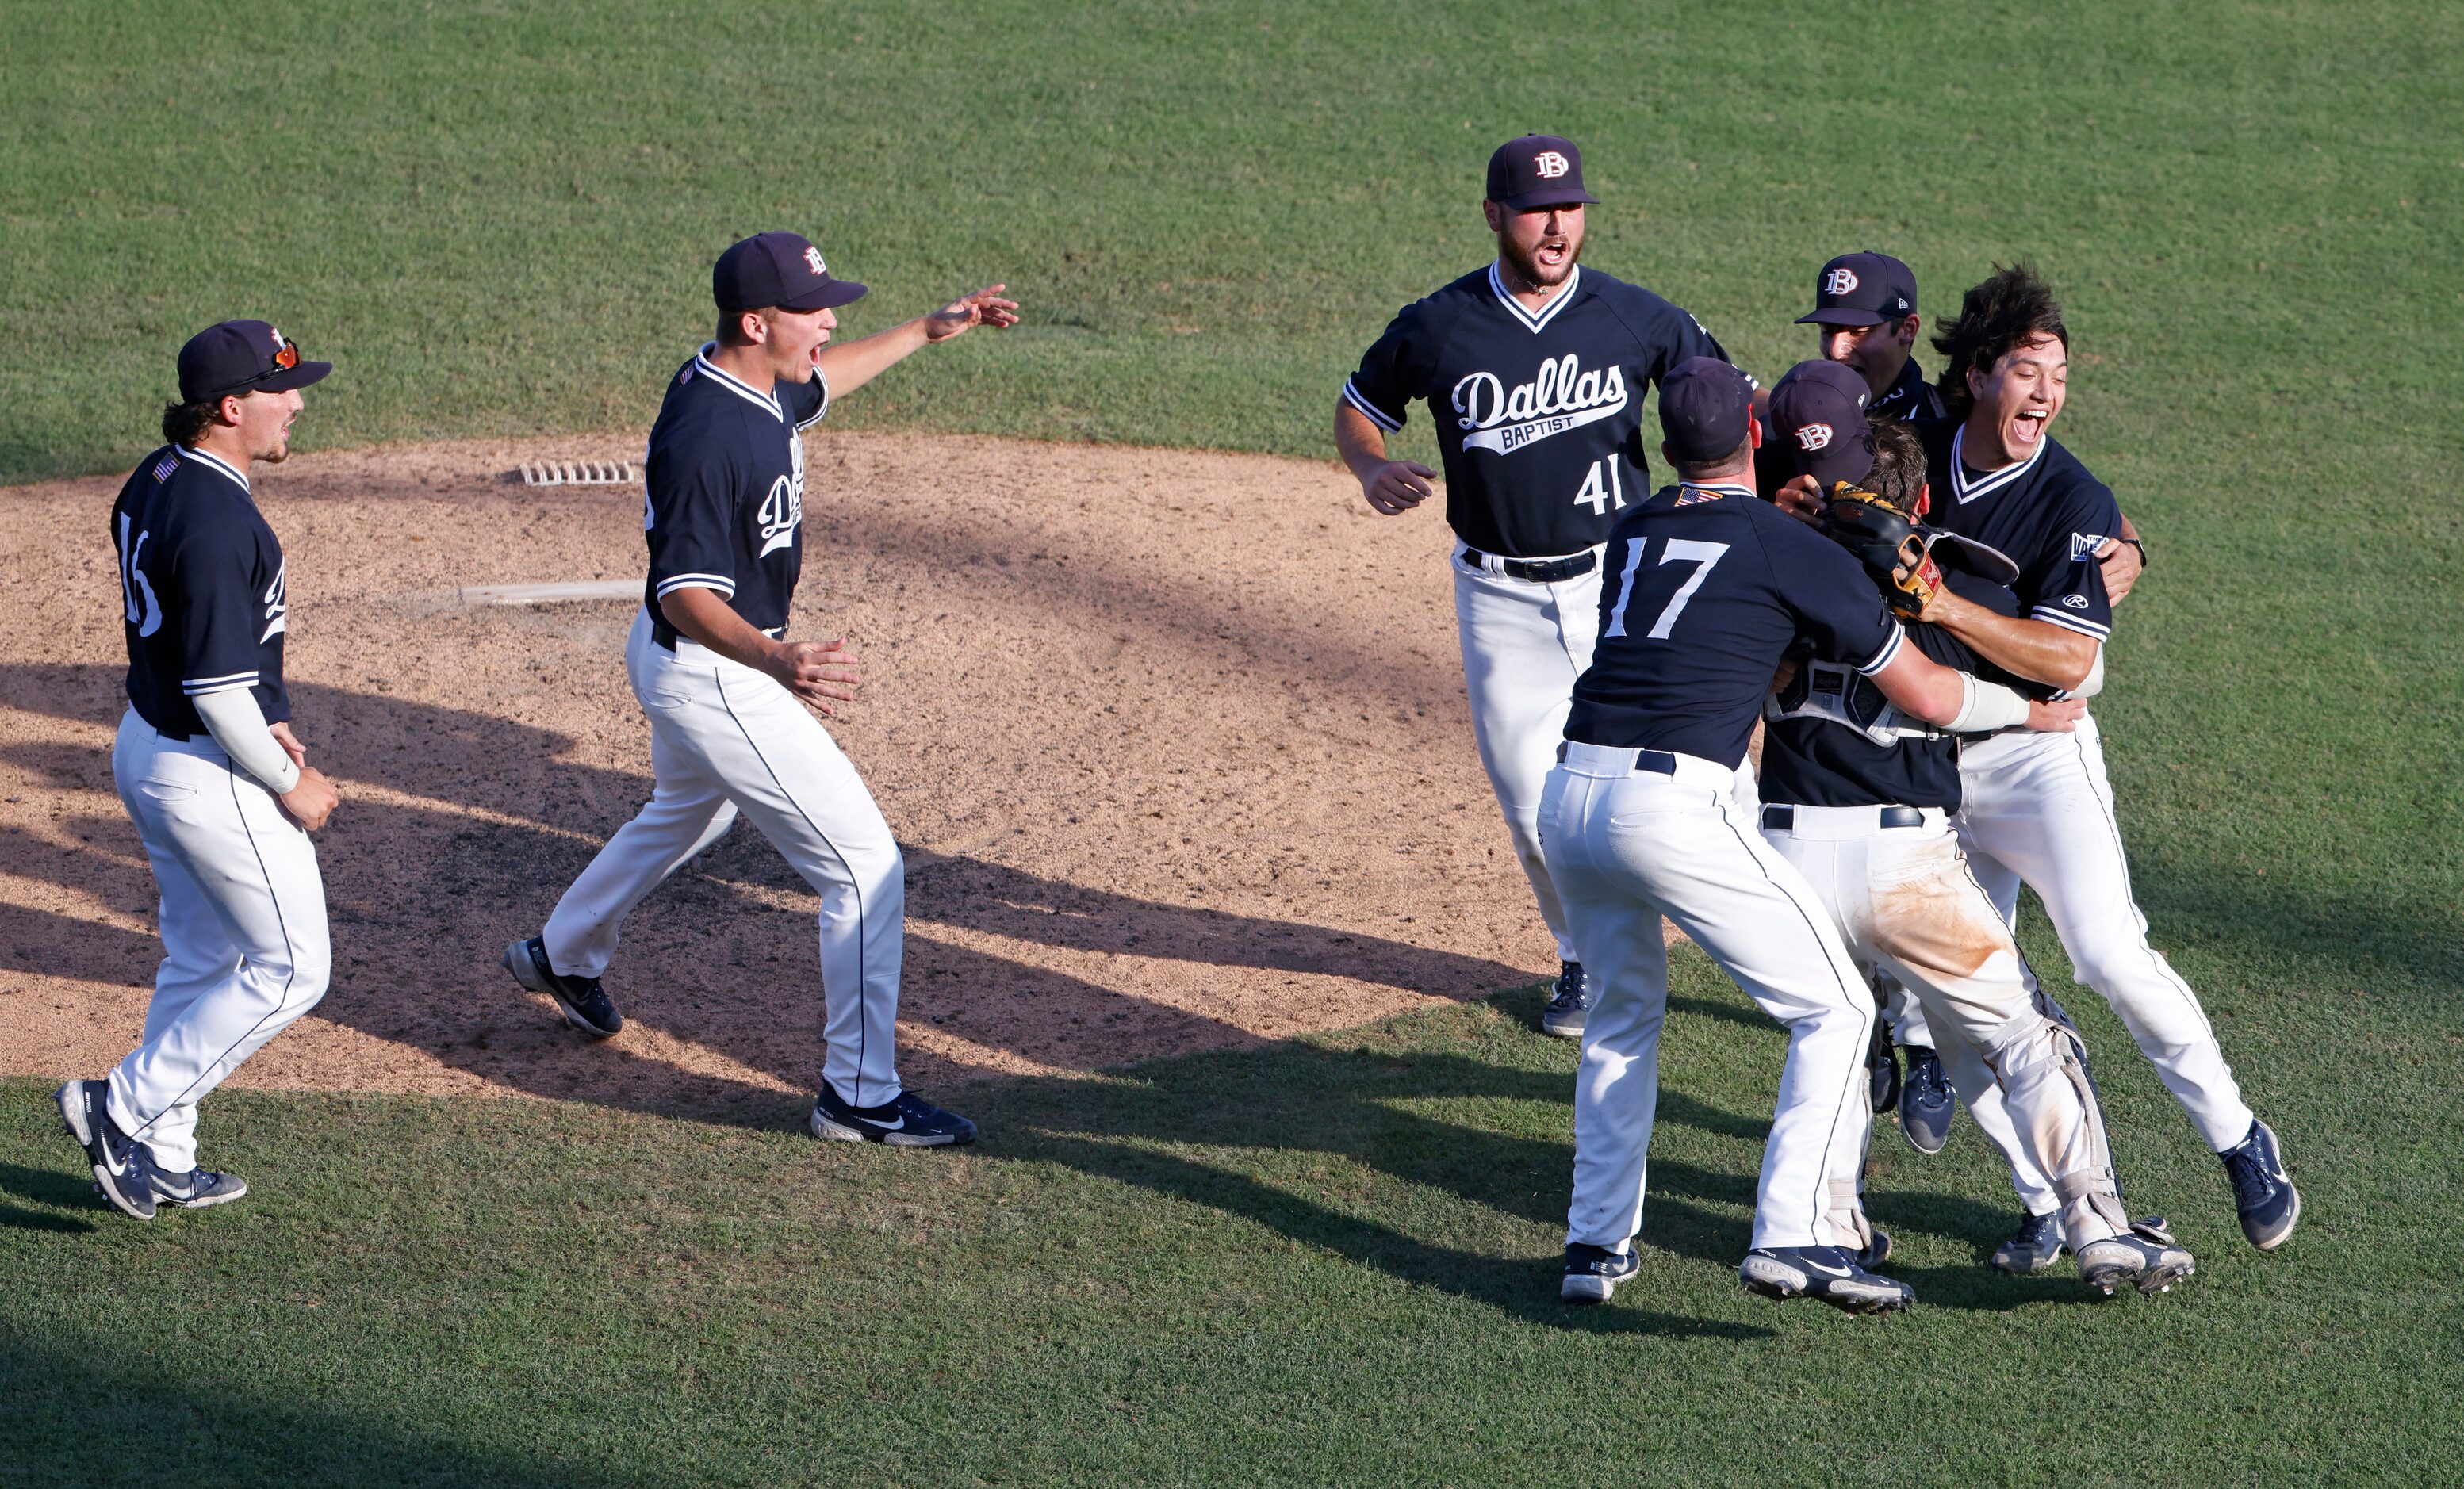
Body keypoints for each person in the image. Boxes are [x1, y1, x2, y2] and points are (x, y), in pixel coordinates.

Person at [1541, 359, 2052, 1314]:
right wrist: (2030, 714)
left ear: (1667, 446)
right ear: (1752, 429)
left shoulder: (1638, 526)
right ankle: (1795, 1236)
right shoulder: (1787, 545)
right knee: (1836, 1013)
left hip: (1568, 795)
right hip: (1669, 808)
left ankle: (1595, 1245)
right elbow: (1933, 696)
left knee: (1618, 1022)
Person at [504, 232, 1017, 1146]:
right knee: (863, 870)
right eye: (814, 311)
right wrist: (774, 662)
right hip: (716, 667)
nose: (828, 322)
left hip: (691, 661)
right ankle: (857, 1097)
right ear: (756, 322)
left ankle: (562, 953)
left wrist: (927, 332)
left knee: (690, 811)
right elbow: (684, 592)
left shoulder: (751, 379)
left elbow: (820, 382)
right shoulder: (711, 435)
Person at [1899, 266, 2297, 1267]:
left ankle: (2239, 1138)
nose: (2044, 394)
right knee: (1964, 999)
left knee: (2107, 955)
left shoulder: (2071, 494)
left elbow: (2067, 659)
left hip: (2035, 755)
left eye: (2059, 377)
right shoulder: (1912, 447)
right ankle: (2045, 1200)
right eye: (2026, 372)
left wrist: (1945, 609)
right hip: (1931, 764)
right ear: (1978, 374)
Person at [1757, 408, 2198, 1296]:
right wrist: (2030, 711)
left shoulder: (1766, 573)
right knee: (2027, 1039)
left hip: (1786, 859)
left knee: (1835, 1034)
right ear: (1917, 499)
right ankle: (2097, 1226)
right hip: (1901, 863)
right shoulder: (1940, 593)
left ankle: (1823, 1228)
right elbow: (1961, 689)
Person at [1335, 133, 1749, 1040]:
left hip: (1623, 584)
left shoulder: (1635, 317)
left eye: (1569, 208)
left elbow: (1728, 406)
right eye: (1535, 209)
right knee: (1532, 804)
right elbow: (1360, 407)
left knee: (1709, 768)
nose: (1556, 225)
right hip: (1499, 599)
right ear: (1494, 215)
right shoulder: (1438, 326)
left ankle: (1784, 929)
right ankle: (1581, 956)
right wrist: (1369, 470)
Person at [60, 320, 342, 1219]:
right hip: (204, 767)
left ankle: (163, 1157)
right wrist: (289, 780)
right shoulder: (223, 521)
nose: (296, 404)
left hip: (148, 745)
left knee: (200, 957)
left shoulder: (159, 474)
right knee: (295, 970)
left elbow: (207, 646)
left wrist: (275, 718)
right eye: (280, 390)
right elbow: (219, 692)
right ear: (230, 408)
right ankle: (124, 1106)